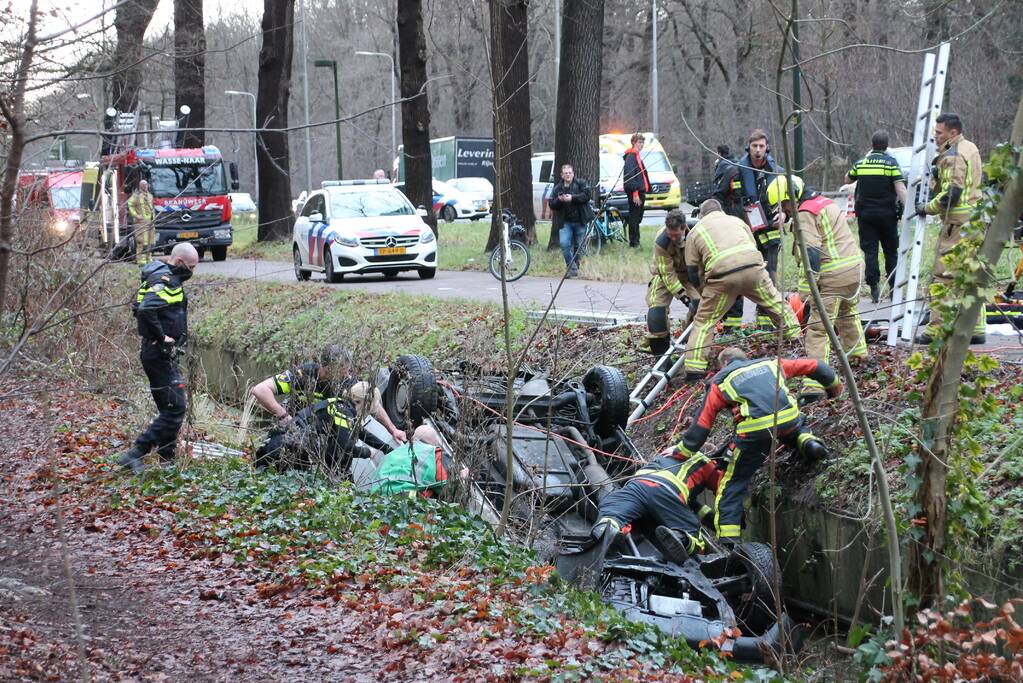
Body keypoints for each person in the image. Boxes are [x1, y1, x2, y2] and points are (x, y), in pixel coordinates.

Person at [675, 347, 839, 541]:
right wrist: (835, 390)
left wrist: (682, 452)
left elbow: (702, 424)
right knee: (796, 425)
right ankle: (808, 442)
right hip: (787, 417)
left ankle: (730, 542)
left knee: (732, 484)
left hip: (754, 431)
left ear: (724, 364)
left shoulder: (720, 381)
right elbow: (815, 365)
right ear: (746, 358)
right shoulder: (770, 364)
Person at [768, 176, 867, 399]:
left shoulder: (804, 214)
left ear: (790, 198)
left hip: (833, 274)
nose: (783, 209)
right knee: (848, 313)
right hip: (853, 269)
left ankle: (814, 386)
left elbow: (811, 252)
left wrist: (810, 292)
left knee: (818, 330)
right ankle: (859, 358)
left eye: (783, 204)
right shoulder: (824, 202)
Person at [681, 199, 800, 379]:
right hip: (753, 270)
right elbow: (751, 245)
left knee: (704, 321)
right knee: (775, 303)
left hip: (722, 277)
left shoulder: (696, 230)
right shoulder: (738, 221)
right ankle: (797, 340)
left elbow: (692, 269)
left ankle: (694, 370)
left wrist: (704, 290)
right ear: (720, 210)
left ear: (702, 215)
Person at [116, 242, 199, 474]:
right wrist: (162, 337)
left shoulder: (154, 277)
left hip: (154, 353)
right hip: (159, 354)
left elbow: (137, 305)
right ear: (180, 262)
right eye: (191, 267)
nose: (192, 272)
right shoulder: (166, 281)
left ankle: (167, 458)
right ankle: (136, 452)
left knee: (169, 406)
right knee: (176, 408)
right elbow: (144, 310)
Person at [914, 112, 986, 344]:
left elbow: (952, 194)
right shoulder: (970, 147)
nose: (935, 136)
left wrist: (926, 207)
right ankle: (976, 328)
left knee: (943, 276)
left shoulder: (952, 156)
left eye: (938, 132)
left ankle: (936, 329)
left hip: (957, 223)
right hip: (975, 220)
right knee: (971, 275)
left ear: (952, 133)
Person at [249, 344, 407, 444]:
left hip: (324, 436)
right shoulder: (302, 374)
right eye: (343, 371)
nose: (347, 376)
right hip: (293, 431)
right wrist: (283, 416)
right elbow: (260, 390)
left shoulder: (348, 382)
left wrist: (393, 430)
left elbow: (372, 403)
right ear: (328, 368)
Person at [590, 448, 722, 564]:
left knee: (612, 508)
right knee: (694, 535)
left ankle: (608, 527)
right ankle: (681, 538)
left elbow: (694, 505)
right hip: (667, 492)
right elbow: (722, 489)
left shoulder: (671, 450)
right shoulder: (707, 462)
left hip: (638, 485)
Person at [846, 131, 908, 303]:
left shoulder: (862, 163)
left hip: (866, 215)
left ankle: (874, 288)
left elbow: (848, 179)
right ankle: (894, 288)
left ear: (871, 144)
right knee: (891, 251)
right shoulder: (891, 164)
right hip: (887, 215)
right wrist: (908, 209)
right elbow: (900, 189)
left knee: (870, 252)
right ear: (886, 146)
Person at [736, 130, 786, 327]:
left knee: (769, 276)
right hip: (744, 232)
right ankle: (732, 324)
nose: (757, 150)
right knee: (739, 275)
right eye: (754, 146)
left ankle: (766, 321)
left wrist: (784, 215)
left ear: (767, 148)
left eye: (761, 146)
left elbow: (788, 199)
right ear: (748, 147)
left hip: (770, 233)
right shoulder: (737, 170)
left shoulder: (776, 171)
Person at [254, 396, 361, 473]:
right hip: (290, 449)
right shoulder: (344, 412)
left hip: (278, 442)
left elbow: (359, 431)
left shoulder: (336, 404)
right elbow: (343, 446)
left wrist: (378, 445)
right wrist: (367, 452)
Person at [644, 209, 700, 355]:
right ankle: (661, 355)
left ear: (684, 227)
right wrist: (685, 298)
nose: (673, 238)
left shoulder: (697, 233)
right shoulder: (661, 242)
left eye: (676, 235)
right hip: (663, 275)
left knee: (700, 307)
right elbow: (667, 274)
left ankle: (689, 342)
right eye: (670, 234)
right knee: (656, 313)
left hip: (690, 274)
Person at [371, 424, 458, 497]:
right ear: (435, 443)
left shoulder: (389, 455)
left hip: (377, 499)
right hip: (405, 497)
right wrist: (460, 478)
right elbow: (447, 490)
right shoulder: (434, 452)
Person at [548, 163, 594, 278]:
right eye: (565, 173)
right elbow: (551, 204)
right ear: (561, 175)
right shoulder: (558, 188)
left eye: (570, 173)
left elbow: (587, 195)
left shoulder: (581, 183)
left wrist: (572, 198)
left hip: (580, 220)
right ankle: (571, 266)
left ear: (573, 173)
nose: (568, 175)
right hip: (565, 222)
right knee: (564, 244)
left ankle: (575, 268)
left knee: (578, 246)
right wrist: (559, 200)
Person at [623, 133, 651, 248]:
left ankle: (635, 241)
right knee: (634, 217)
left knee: (637, 217)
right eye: (639, 142)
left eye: (642, 142)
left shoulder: (636, 156)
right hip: (636, 193)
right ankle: (634, 242)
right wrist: (635, 193)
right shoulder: (631, 157)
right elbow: (630, 177)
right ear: (634, 143)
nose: (641, 145)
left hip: (639, 192)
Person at [712, 144, 744, 220]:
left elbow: (718, 184)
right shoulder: (736, 161)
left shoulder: (722, 164)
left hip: (729, 202)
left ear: (719, 153)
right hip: (739, 200)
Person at [127, 179, 156, 261]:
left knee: (151, 241)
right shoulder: (136, 196)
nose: (145, 186)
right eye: (143, 185)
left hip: (151, 222)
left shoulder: (150, 196)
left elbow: (152, 208)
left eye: (146, 185)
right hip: (141, 223)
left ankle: (149, 258)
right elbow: (130, 204)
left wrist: (154, 218)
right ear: (140, 186)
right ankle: (141, 260)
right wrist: (136, 215)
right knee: (142, 242)